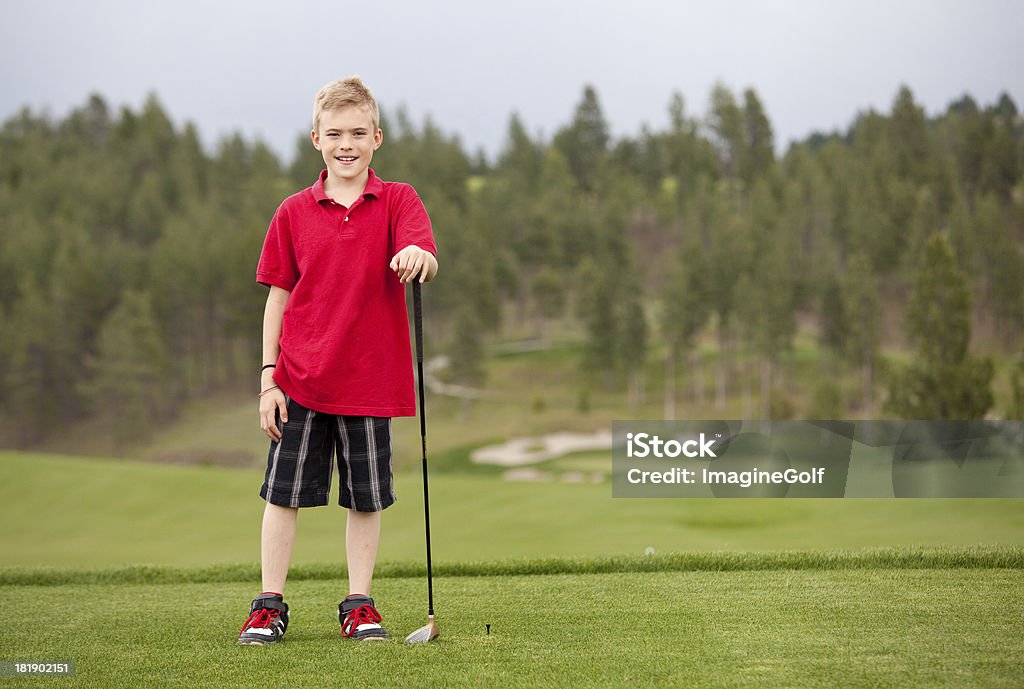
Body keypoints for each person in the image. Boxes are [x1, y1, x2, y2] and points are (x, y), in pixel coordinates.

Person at [238, 76, 438, 645]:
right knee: (282, 496)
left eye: (357, 133)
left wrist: (415, 254)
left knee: (365, 499)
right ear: (315, 140)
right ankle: (269, 606)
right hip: (298, 380)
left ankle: (358, 605)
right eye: (334, 134)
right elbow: (278, 297)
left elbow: (422, 249)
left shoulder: (399, 199)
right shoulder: (293, 211)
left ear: (377, 137)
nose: (345, 143)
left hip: (370, 381)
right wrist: (267, 379)